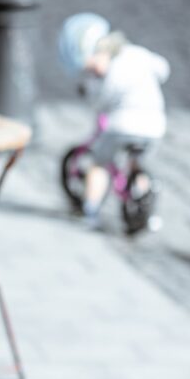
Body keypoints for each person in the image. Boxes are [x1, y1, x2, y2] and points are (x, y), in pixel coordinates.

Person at [57, 13, 170, 228]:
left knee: (98, 164)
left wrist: (93, 92)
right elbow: (163, 68)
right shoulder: (136, 54)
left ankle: (90, 210)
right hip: (155, 124)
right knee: (137, 164)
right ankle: (145, 201)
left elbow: (101, 100)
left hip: (124, 124)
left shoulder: (110, 73)